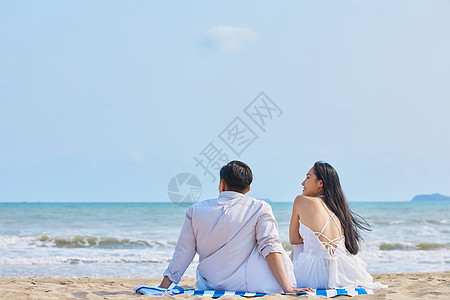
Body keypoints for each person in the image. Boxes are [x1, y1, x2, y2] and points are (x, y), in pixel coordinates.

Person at [160, 161, 312, 294]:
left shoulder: (195, 210)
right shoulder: (259, 208)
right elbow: (270, 247)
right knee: (273, 246)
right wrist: (288, 288)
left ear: (222, 184)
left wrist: (163, 287)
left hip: (211, 283)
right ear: (248, 189)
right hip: (250, 283)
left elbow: (184, 252)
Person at [289, 161, 386, 290]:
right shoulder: (338, 208)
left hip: (315, 274)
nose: (303, 183)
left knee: (297, 248)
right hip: (344, 272)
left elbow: (294, 240)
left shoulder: (301, 200)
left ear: (320, 183)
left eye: (308, 178)